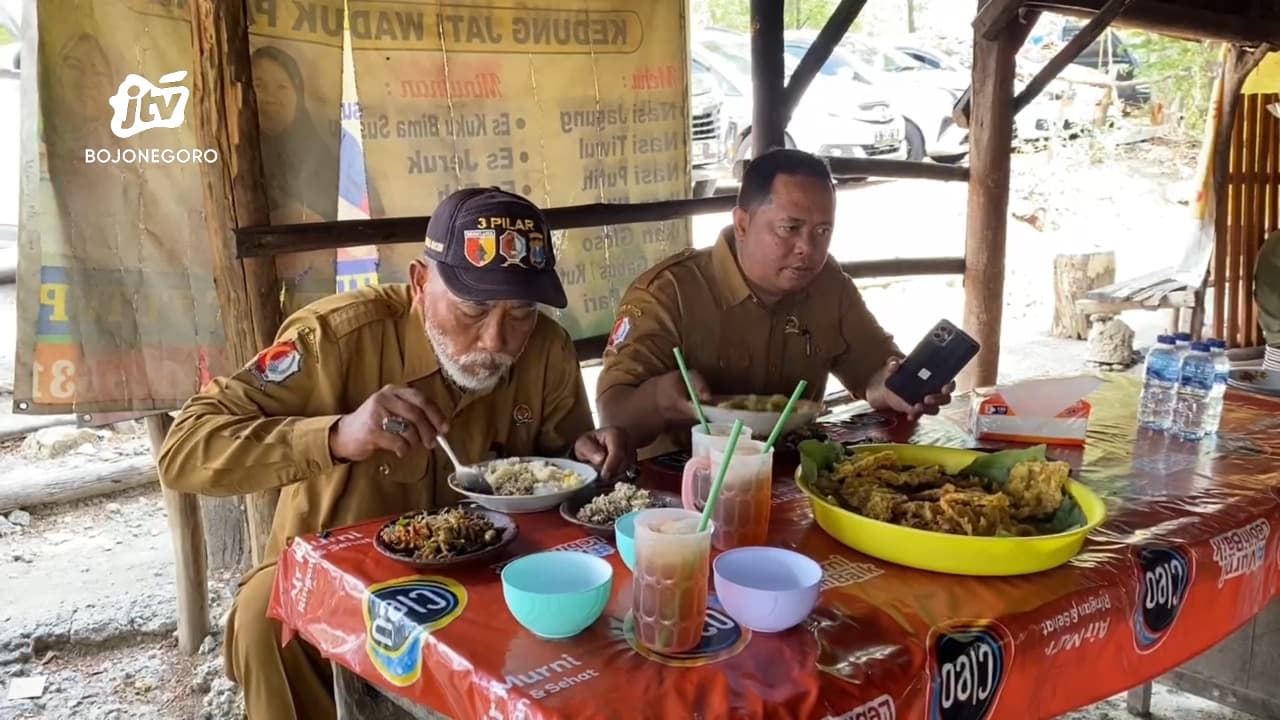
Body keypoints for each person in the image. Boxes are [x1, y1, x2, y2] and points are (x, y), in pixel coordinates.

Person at [158, 188, 634, 720]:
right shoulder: (335, 340)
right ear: (419, 283)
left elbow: (560, 474)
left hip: (491, 571)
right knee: (264, 615)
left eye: (520, 311)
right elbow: (184, 448)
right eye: (473, 308)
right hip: (345, 583)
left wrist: (586, 457)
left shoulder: (544, 347)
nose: (497, 339)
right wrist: (337, 435)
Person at [596, 148, 954, 450]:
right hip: (682, 492)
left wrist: (895, 390)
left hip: (789, 473)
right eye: (790, 228)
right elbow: (614, 418)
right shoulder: (668, 293)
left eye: (822, 231)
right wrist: (660, 399)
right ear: (742, 224)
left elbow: (873, 370)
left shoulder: (827, 283)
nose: (808, 249)